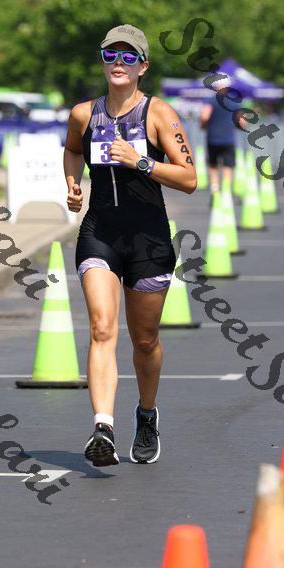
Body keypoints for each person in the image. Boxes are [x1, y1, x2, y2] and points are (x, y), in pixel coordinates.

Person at [63, 24, 197, 467]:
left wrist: (140, 161)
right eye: (110, 55)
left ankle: (146, 414)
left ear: (143, 66)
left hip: (148, 239)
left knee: (145, 340)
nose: (118, 63)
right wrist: (73, 184)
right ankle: (103, 427)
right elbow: (72, 151)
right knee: (102, 328)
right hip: (99, 232)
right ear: (102, 62)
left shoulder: (159, 113)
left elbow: (189, 178)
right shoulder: (84, 114)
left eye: (128, 56)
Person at [199, 82, 245, 193]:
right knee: (228, 165)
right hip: (228, 139)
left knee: (213, 164)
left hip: (213, 138)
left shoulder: (211, 100)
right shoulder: (235, 101)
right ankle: (226, 188)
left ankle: (214, 188)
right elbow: (242, 121)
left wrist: (203, 126)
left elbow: (204, 116)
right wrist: (239, 126)